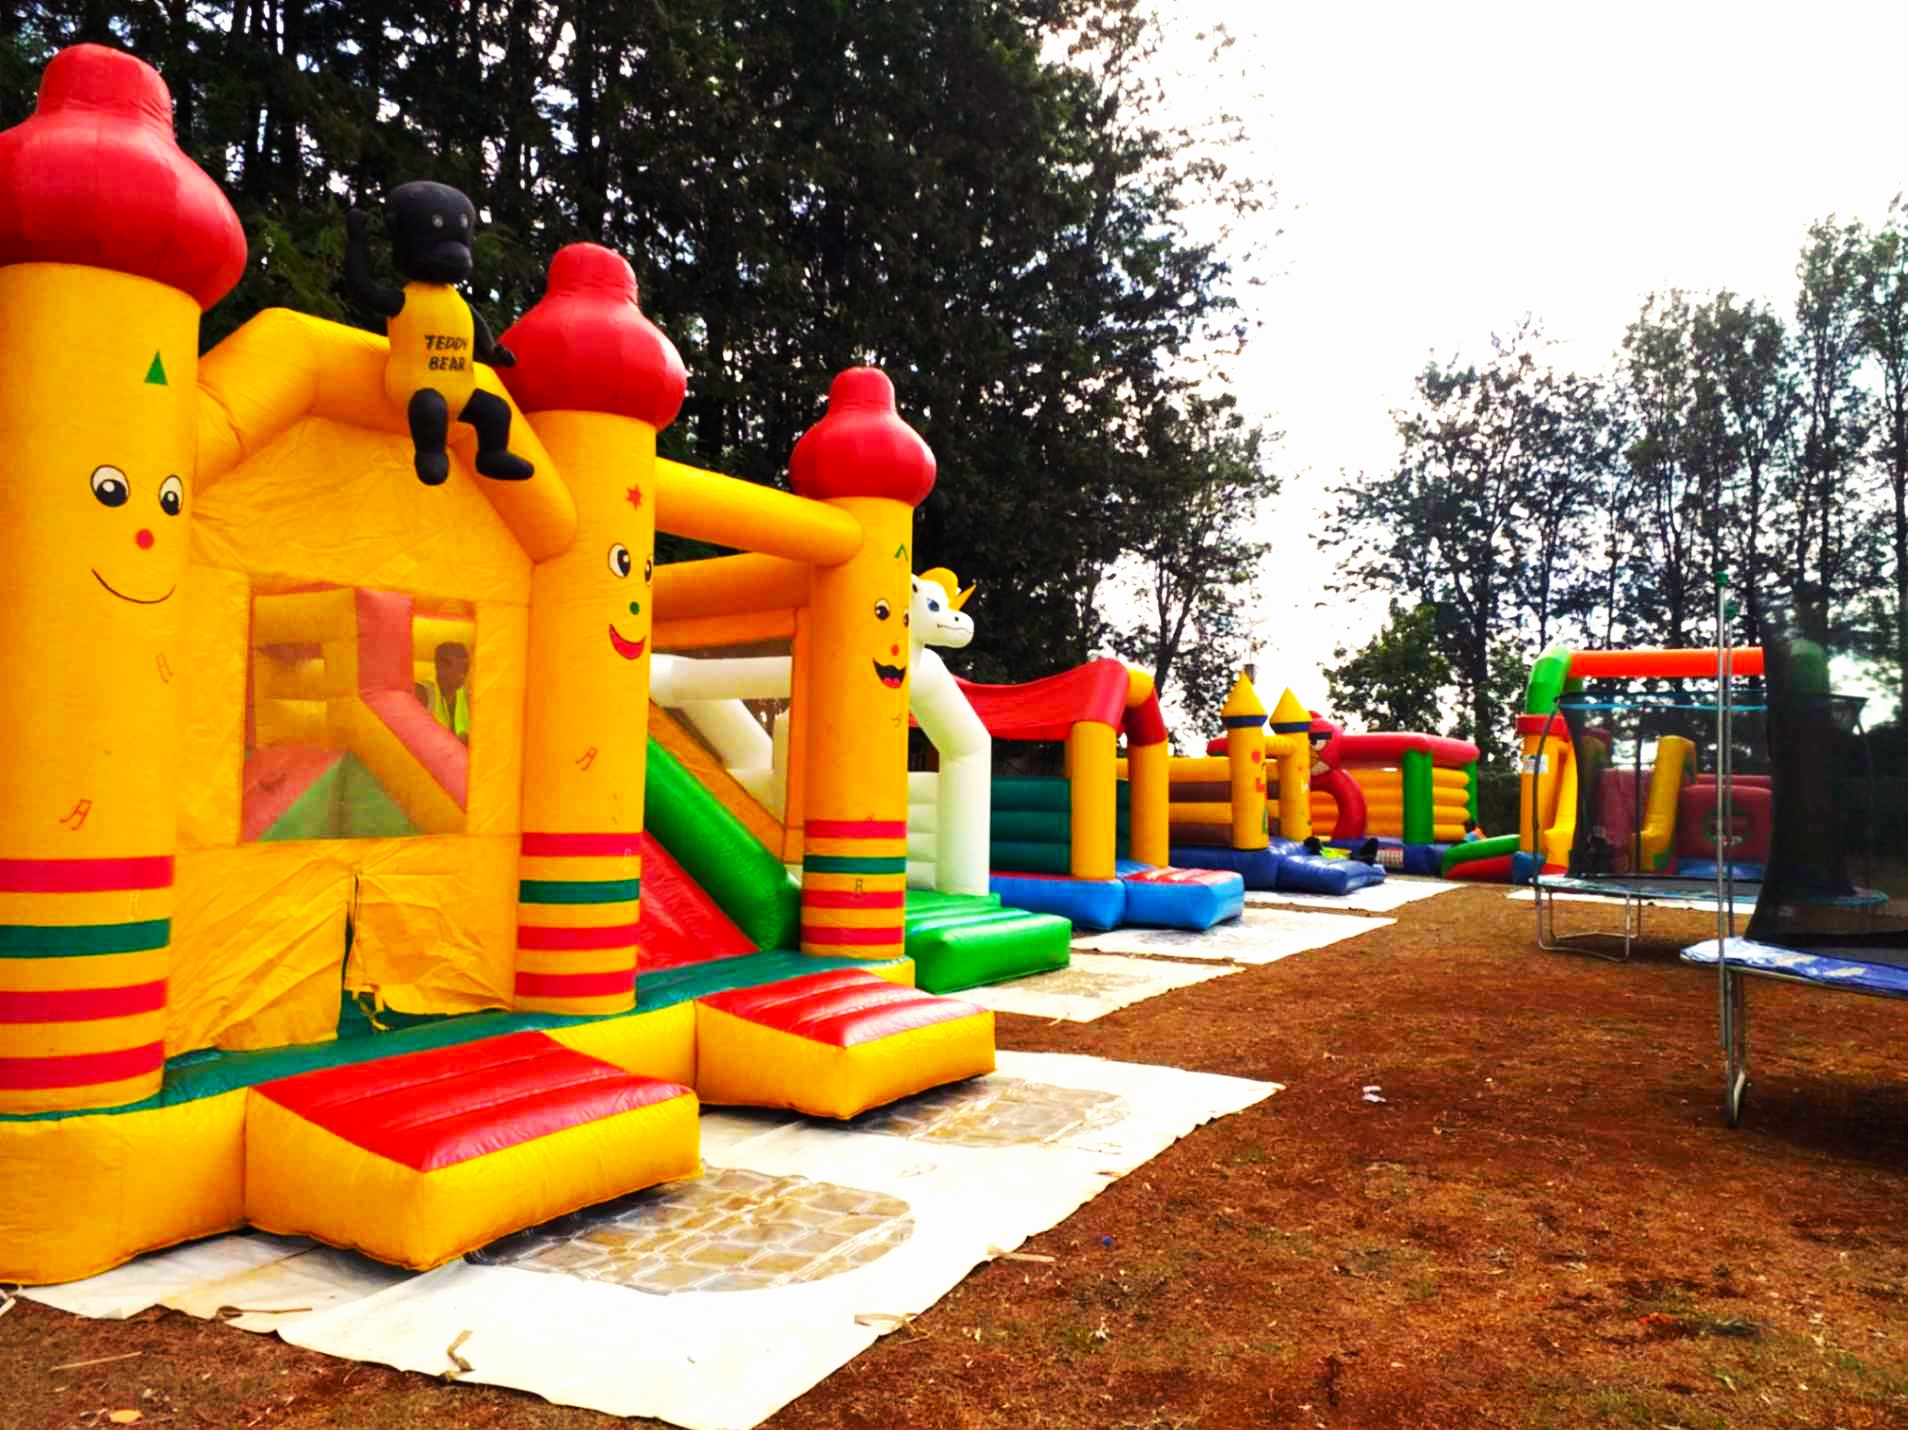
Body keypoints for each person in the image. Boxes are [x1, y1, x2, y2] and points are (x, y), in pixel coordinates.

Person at [430, 641, 471, 743]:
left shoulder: (465, 694)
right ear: (440, 667)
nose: (463, 674)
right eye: (460, 667)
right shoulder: (424, 693)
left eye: (466, 668)